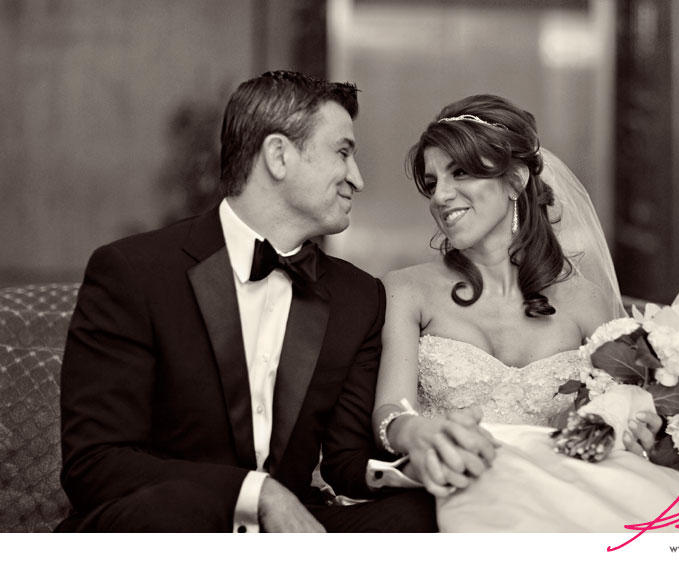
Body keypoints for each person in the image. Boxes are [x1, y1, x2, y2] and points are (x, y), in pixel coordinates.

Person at [372, 93, 679, 532]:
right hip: (456, 486)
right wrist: (416, 433)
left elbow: (621, 411)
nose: (441, 196)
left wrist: (639, 422)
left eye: (459, 172)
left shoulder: (585, 301)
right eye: (431, 182)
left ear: (516, 179)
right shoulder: (406, 290)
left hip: (563, 493)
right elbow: (391, 409)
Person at [57, 70, 436, 533]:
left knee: (422, 518)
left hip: (290, 532)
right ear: (278, 156)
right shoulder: (133, 272)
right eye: (342, 153)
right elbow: (95, 463)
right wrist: (255, 494)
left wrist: (417, 468)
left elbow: (347, 462)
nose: (356, 178)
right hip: (166, 525)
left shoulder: (358, 297)